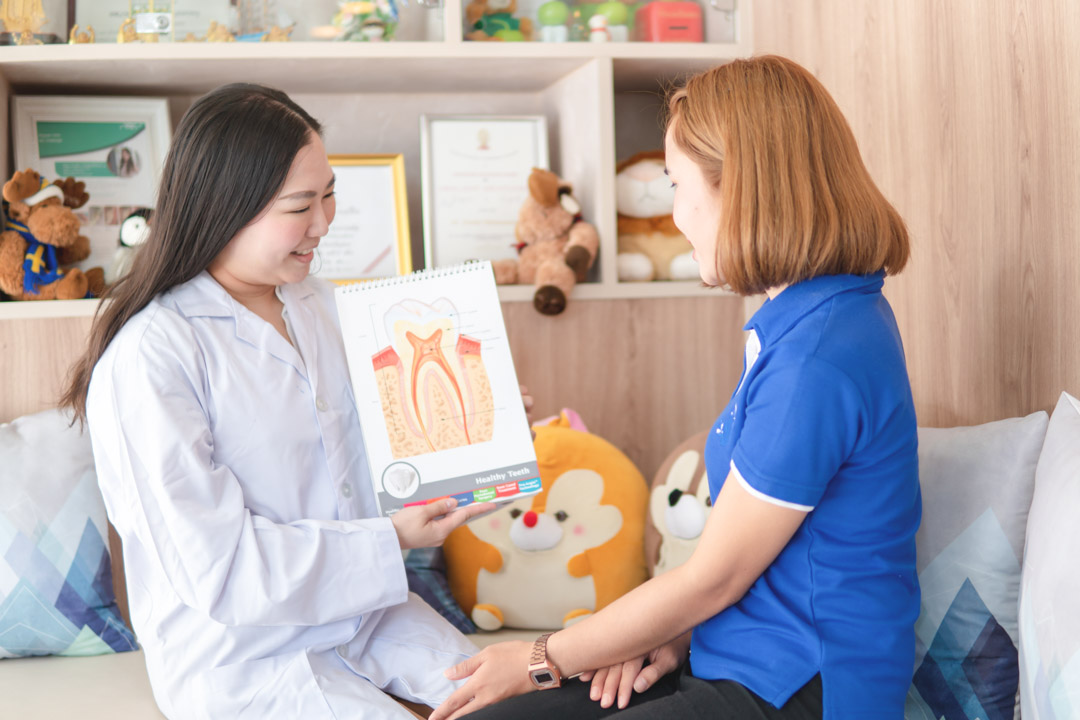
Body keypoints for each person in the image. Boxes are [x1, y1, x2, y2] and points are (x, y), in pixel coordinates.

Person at [429, 55, 920, 720]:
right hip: (742, 657)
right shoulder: (808, 321)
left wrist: (540, 658)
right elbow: (756, 560)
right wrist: (665, 634)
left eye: (676, 184)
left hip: (802, 689)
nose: (676, 215)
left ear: (740, 189)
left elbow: (715, 578)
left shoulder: (817, 358)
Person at [61, 83, 505, 719]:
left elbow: (380, 458)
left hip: (365, 613)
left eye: (329, 195)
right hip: (242, 655)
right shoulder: (152, 356)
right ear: (225, 208)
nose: (324, 223)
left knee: (516, 703)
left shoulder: (321, 305)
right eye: (301, 205)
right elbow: (221, 571)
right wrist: (389, 539)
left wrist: (478, 433)